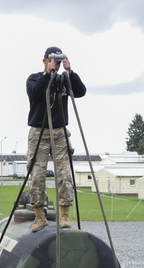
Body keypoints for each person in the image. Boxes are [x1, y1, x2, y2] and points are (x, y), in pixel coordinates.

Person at [26, 46, 86, 232]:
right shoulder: (35, 78)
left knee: (64, 174)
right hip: (39, 132)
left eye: (59, 62)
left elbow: (81, 91)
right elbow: (35, 94)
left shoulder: (63, 80)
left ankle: (65, 214)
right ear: (45, 60)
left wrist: (70, 71)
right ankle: (39, 215)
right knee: (37, 174)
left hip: (59, 131)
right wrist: (47, 74)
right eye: (53, 61)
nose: (57, 65)